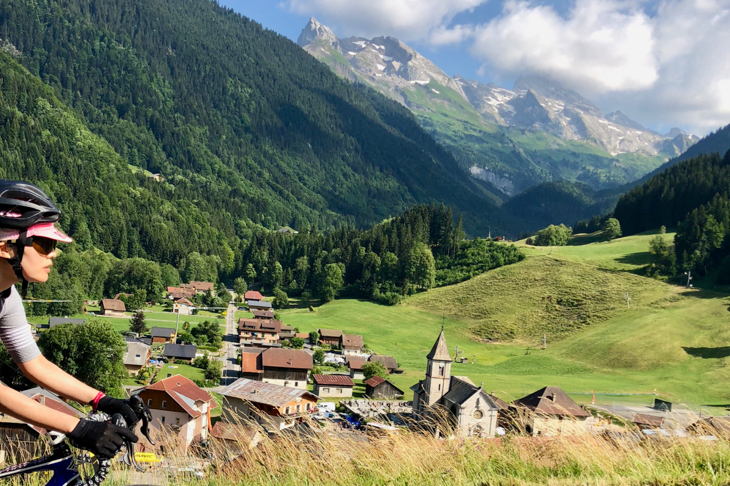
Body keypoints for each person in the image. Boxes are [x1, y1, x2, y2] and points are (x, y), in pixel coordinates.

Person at [0, 180, 138, 458]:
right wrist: (77, 427)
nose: (53, 254)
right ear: (5, 247)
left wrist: (102, 400)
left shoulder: (7, 298)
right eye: (43, 243)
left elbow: (34, 364)